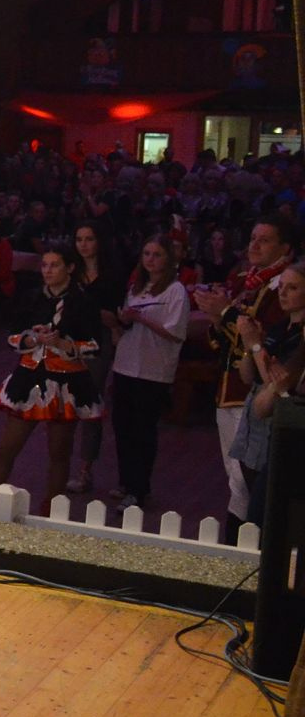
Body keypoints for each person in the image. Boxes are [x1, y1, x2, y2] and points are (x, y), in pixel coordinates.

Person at [193, 217, 294, 540]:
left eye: (264, 240)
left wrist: (225, 313)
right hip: (229, 387)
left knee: (245, 479)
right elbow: (222, 343)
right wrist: (217, 317)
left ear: (285, 248)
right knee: (235, 479)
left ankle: (243, 545)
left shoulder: (281, 288)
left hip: (253, 393)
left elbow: (262, 338)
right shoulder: (244, 282)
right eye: (252, 238)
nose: (254, 245)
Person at [0, 247, 104, 506]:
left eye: (54, 265)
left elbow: (95, 346)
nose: (47, 270)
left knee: (59, 453)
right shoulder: (32, 297)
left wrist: (63, 344)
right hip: (29, 379)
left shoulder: (83, 301)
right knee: (7, 447)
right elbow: (12, 336)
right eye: (45, 265)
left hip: (67, 383)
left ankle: (52, 510)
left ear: (70, 268)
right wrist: (30, 339)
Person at [108, 236, 189, 511]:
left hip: (153, 369)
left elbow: (175, 332)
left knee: (143, 430)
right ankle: (126, 480)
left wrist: (141, 318)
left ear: (168, 258)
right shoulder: (137, 287)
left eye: (157, 254)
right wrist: (121, 321)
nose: (150, 259)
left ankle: (139, 488)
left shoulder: (175, 291)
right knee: (122, 426)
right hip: (126, 363)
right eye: (147, 254)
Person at [228, 263, 305, 532]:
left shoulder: (300, 337)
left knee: (263, 511)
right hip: (255, 419)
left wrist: (256, 345)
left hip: (279, 425)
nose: (283, 293)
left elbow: (280, 385)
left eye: (292, 288)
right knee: (244, 490)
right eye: (281, 287)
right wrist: (249, 348)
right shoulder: (280, 326)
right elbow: (249, 376)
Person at [69, 221, 122, 493]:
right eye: (79, 239)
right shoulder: (72, 272)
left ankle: (85, 469)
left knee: (90, 402)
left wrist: (90, 311)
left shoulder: (111, 275)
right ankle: (62, 463)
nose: (84, 244)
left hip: (97, 342)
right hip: (69, 340)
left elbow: (114, 317)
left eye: (89, 239)